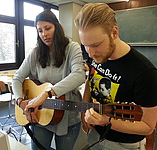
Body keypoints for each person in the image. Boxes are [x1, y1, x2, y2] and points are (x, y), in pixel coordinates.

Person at [74, 3, 157, 150]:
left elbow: (148, 127)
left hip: (124, 145)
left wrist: (106, 121)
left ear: (114, 32)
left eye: (96, 45)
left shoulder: (145, 73)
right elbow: (91, 79)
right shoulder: (96, 56)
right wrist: (84, 108)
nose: (91, 53)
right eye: (85, 46)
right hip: (95, 136)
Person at [12, 9, 85, 150]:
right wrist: (20, 101)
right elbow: (17, 78)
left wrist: (46, 94)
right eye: (39, 30)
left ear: (56, 27)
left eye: (47, 28)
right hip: (41, 115)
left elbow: (79, 75)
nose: (44, 34)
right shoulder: (36, 52)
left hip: (68, 117)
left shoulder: (72, 48)